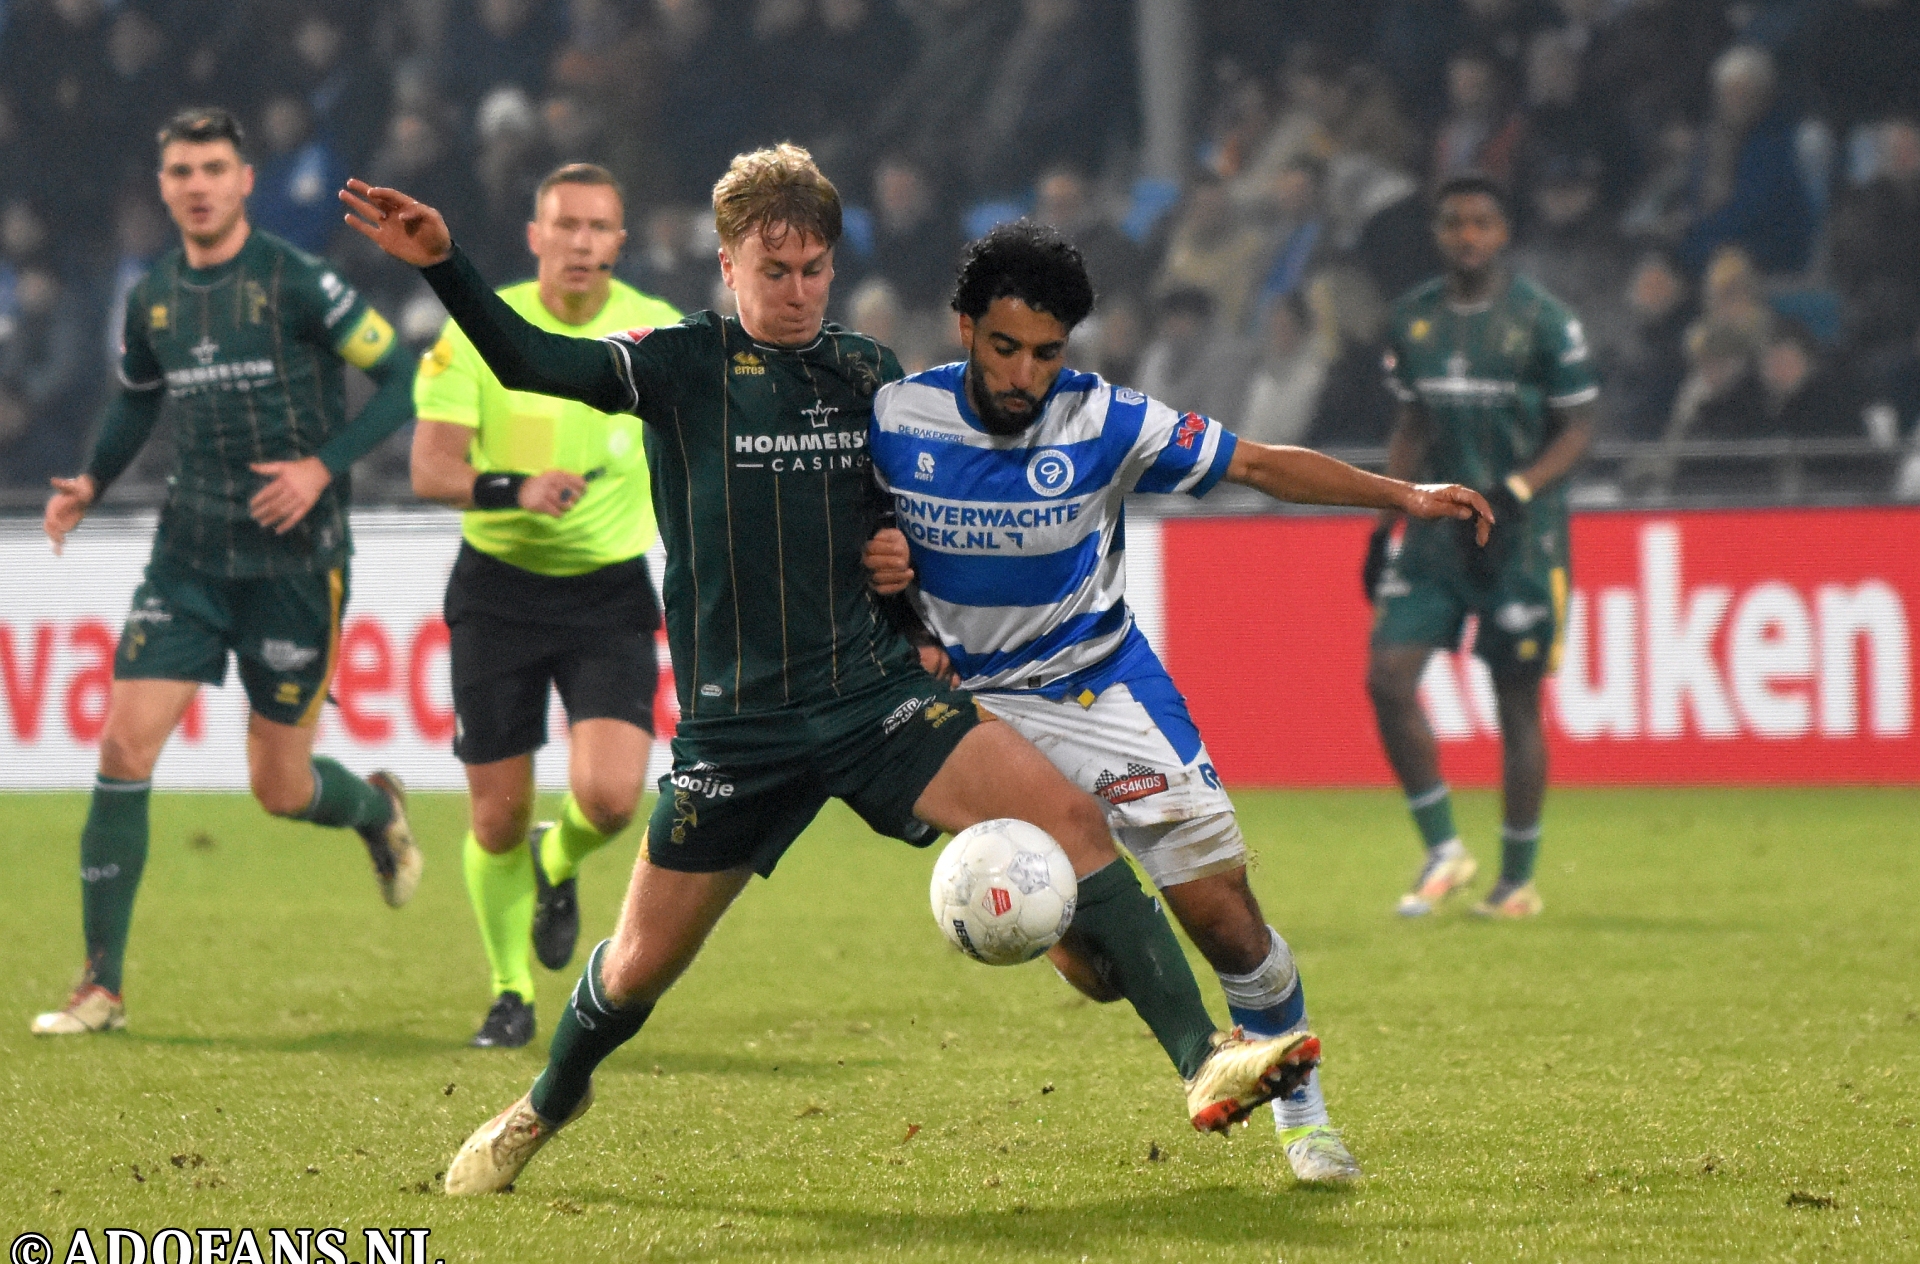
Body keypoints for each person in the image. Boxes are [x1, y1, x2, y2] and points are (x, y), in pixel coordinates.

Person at [340, 143, 1320, 1195]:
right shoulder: (676, 366)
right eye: (775, 271)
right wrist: (443, 263)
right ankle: (544, 1103)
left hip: (872, 700)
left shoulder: (867, 376)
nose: (799, 291)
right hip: (737, 731)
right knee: (632, 973)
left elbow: (893, 525)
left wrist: (897, 577)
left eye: (814, 270)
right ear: (728, 267)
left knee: (1073, 820)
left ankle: (1203, 1057)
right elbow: (534, 361)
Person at [859, 221, 1490, 1184]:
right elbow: (841, 533)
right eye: (1004, 348)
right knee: (1095, 972)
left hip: (1101, 687)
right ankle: (1118, 968)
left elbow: (1258, 464)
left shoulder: (1106, 419)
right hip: (980, 714)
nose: (1026, 374)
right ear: (963, 328)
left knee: (1226, 916)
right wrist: (890, 593)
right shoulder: (898, 418)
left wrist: (1402, 495)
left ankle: (1305, 1118)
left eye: (1046, 354)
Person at [31, 108, 420, 1036]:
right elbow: (134, 404)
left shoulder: (298, 281)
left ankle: (374, 809)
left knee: (279, 789)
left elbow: (405, 376)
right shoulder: (153, 298)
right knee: (123, 749)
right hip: (191, 557)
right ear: (163, 187)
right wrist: (91, 477)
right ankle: (101, 988)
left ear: (245, 181)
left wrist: (324, 467)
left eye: (213, 167)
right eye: (180, 171)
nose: (197, 184)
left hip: (297, 563)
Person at [411, 162, 682, 1050]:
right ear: (534, 236)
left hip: (608, 593)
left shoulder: (659, 334)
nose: (580, 242)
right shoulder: (480, 334)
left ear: (619, 242)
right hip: (498, 594)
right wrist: (512, 487)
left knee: (608, 799)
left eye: (598, 227)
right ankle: (509, 991)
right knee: (492, 814)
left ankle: (553, 859)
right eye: (564, 225)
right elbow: (430, 469)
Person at [1365, 173, 1596, 920]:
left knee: (1517, 703)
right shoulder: (1413, 321)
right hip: (1438, 532)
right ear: (1438, 234)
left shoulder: (1545, 322)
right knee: (1387, 678)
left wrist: (1518, 490)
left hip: (1523, 541)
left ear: (1503, 234)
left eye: (1482, 223)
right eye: (1454, 223)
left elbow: (1578, 430)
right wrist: (1382, 517)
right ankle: (1443, 849)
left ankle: (1517, 879)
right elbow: (1413, 426)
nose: (1467, 235)